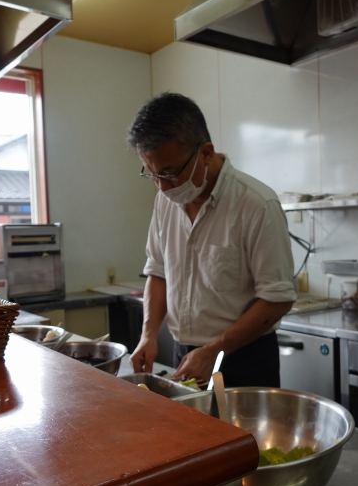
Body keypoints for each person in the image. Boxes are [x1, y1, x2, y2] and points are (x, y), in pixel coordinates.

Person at [127, 92, 296, 387]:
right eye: (152, 175)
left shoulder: (256, 204)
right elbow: (158, 271)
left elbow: (277, 299)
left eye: (169, 173)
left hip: (244, 357)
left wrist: (214, 350)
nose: (162, 188)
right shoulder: (165, 202)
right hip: (185, 353)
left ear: (206, 153)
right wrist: (149, 335)